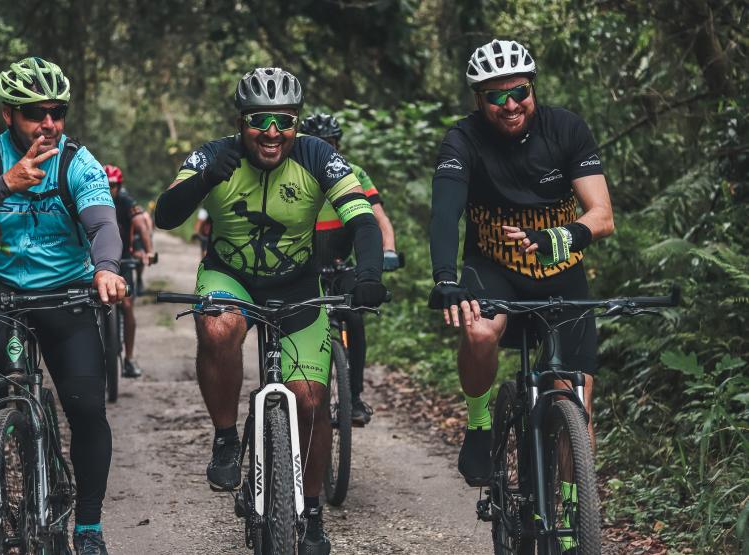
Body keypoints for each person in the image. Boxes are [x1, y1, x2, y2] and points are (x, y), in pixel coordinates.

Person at [154, 67, 386, 554]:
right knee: (219, 328)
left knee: (310, 401)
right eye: (261, 120)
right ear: (242, 122)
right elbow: (165, 215)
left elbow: (362, 219)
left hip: (297, 281)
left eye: (285, 121)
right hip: (229, 274)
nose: (273, 133)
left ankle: (314, 510)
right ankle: (224, 436)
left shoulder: (318, 156)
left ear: (297, 124)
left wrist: (369, 276)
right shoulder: (211, 155)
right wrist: (201, 183)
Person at [0, 56, 125, 555]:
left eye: (57, 112)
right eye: (35, 114)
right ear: (7, 115)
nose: (49, 124)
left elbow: (103, 222)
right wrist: (4, 186)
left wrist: (106, 267)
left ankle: (87, 527)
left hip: (65, 296)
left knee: (85, 409)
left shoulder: (77, 161)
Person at [428, 39, 614, 491]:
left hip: (561, 270)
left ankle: (573, 516)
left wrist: (559, 236)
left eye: (519, 92)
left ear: (533, 89)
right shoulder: (463, 138)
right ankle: (478, 423)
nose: (510, 104)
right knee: (478, 329)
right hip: (493, 266)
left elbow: (602, 215)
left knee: (577, 396)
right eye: (496, 96)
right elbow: (446, 212)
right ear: (480, 99)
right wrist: (446, 278)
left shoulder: (566, 129)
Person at [301, 113, 398, 426]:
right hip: (305, 264)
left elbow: (378, 218)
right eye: (317, 144)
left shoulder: (352, 173)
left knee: (354, 316)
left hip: (341, 262)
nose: (324, 149)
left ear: (337, 145)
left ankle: (354, 398)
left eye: (329, 143)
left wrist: (388, 250)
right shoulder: (295, 173)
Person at [104, 164, 155, 378]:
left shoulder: (125, 202)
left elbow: (141, 226)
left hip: (123, 261)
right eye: (105, 185)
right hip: (96, 263)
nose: (109, 189)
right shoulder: (91, 198)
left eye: (113, 185)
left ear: (119, 186)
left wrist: (149, 250)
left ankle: (129, 358)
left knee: (126, 304)